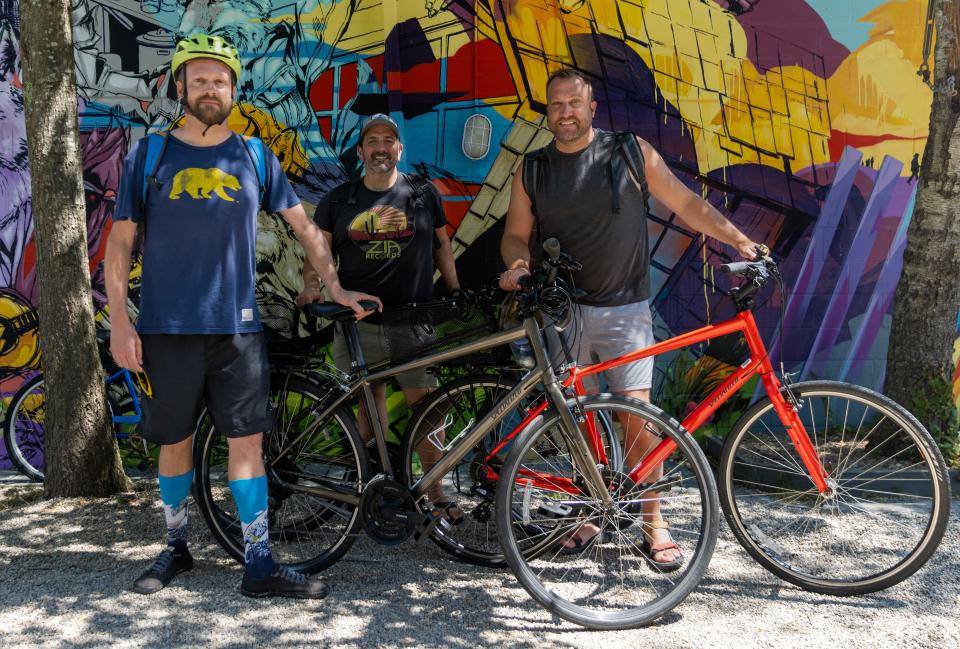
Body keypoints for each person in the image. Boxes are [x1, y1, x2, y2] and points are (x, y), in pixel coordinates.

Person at [104, 33, 379, 599]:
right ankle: (175, 546)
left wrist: (336, 286)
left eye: (220, 80)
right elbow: (120, 242)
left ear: (234, 89)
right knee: (174, 442)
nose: (211, 88)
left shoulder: (255, 155)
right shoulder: (150, 154)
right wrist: (120, 323)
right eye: (199, 79)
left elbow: (305, 228)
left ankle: (259, 562)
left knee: (247, 443)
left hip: (238, 328)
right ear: (180, 86)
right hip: (165, 327)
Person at [499, 68, 760, 569]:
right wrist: (517, 263)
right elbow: (515, 234)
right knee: (576, 421)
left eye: (574, 102)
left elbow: (686, 203)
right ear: (547, 111)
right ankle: (587, 515)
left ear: (592, 107)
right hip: (563, 313)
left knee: (637, 420)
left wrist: (736, 239)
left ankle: (653, 523)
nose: (565, 112)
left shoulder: (629, 152)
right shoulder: (532, 169)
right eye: (555, 105)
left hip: (625, 310)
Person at [296, 113, 464, 521]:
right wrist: (312, 287)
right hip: (358, 325)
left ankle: (436, 492)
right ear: (361, 152)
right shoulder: (339, 199)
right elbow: (317, 251)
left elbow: (441, 245)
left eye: (389, 140)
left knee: (427, 406)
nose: (381, 147)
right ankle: (366, 487)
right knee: (367, 406)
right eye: (373, 140)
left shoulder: (423, 194)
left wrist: (456, 290)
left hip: (414, 321)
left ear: (399, 150)